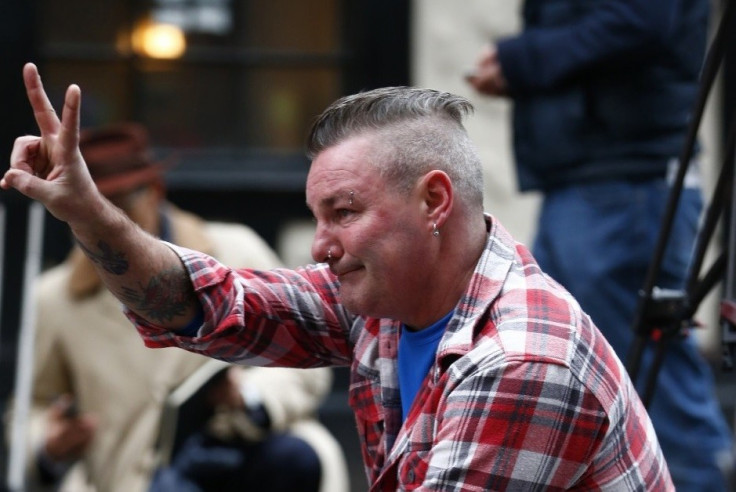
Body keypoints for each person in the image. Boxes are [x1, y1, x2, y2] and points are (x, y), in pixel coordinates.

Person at [4, 63, 673, 490]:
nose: (320, 246)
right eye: (316, 217)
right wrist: (91, 216)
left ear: (434, 202)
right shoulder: (384, 299)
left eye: (343, 213)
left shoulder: (520, 361)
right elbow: (215, 305)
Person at [465, 1, 734, 490]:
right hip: (596, 181)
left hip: (622, 187)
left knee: (648, 382)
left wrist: (521, 61)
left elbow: (642, 20)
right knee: (582, 375)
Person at [16, 122, 349, 492]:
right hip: (132, 479)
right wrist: (48, 444)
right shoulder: (55, 298)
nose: (102, 220)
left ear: (155, 190)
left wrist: (251, 396)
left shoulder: (235, 249)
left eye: (117, 202)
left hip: (251, 461)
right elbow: (32, 408)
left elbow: (307, 357)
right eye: (85, 210)